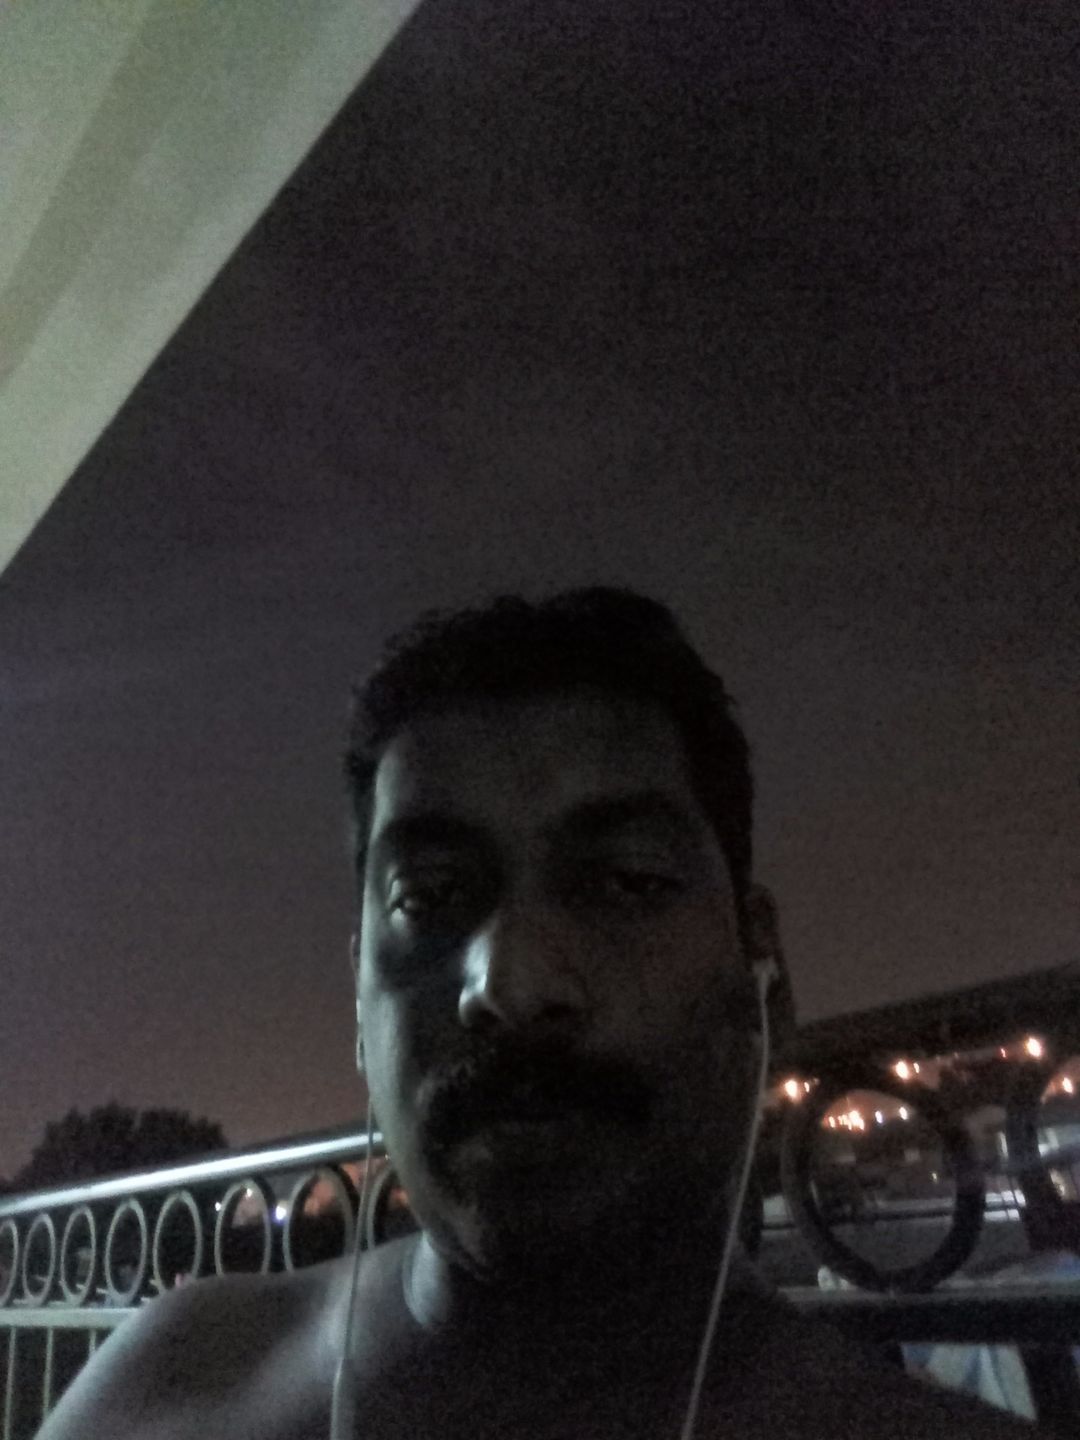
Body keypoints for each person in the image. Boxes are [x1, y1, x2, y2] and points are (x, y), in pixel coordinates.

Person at [40, 589, 1037, 1438]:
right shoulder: (166, 1383)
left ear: (760, 970)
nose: (509, 984)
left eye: (626, 881)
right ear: (359, 999)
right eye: (429, 897)